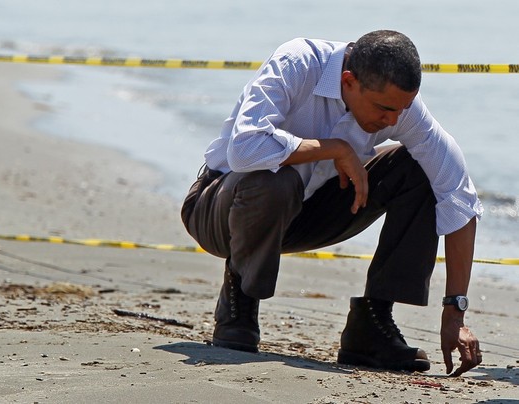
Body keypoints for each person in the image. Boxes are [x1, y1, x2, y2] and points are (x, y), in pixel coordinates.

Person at [181, 30, 483, 376]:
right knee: (273, 177)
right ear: (349, 81)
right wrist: (336, 148)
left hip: (304, 214)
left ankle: (371, 325)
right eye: (385, 109)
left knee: (419, 170)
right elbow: (245, 148)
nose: (393, 121)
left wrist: (454, 312)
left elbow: (458, 194)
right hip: (220, 209)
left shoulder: (399, 108)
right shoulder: (297, 62)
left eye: (401, 110)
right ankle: (240, 302)